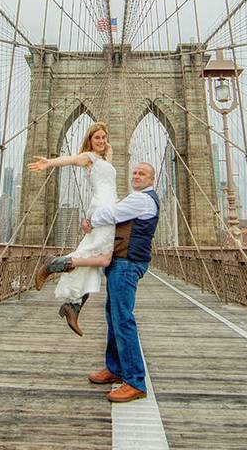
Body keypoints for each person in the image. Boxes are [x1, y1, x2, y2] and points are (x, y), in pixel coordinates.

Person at [27, 122, 117, 336]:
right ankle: (54, 264)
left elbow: (106, 182)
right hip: (104, 210)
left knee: (95, 258)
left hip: (107, 209)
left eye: (104, 137)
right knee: (103, 257)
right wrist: (49, 162)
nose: (102, 141)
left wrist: (88, 217)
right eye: (97, 138)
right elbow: (71, 159)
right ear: (89, 141)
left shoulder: (104, 158)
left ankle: (73, 306)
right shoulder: (89, 157)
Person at [81, 162, 158, 403]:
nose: (136, 176)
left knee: (123, 320)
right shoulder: (136, 198)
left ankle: (135, 380)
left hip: (127, 264)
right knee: (113, 318)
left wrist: (90, 219)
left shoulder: (143, 200)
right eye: (134, 172)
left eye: (142, 173)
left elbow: (112, 213)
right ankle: (115, 368)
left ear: (151, 179)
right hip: (120, 263)